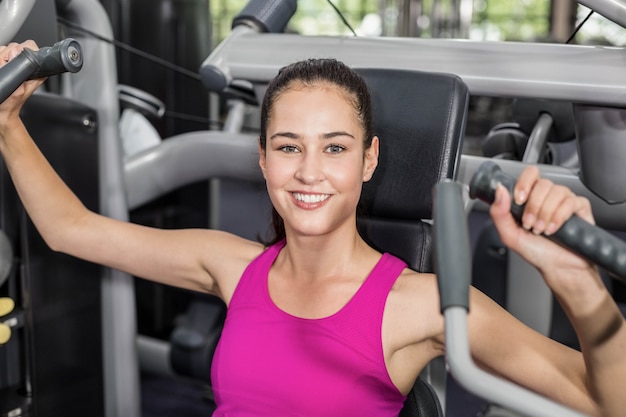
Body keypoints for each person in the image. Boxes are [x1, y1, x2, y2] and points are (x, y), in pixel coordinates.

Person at [1, 40, 625, 417]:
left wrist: (581, 286)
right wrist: (6, 124)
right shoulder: (230, 264)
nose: (309, 172)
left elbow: (606, 402)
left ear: (369, 160)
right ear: (263, 159)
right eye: (288, 146)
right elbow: (69, 230)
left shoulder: (420, 306)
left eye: (334, 148)